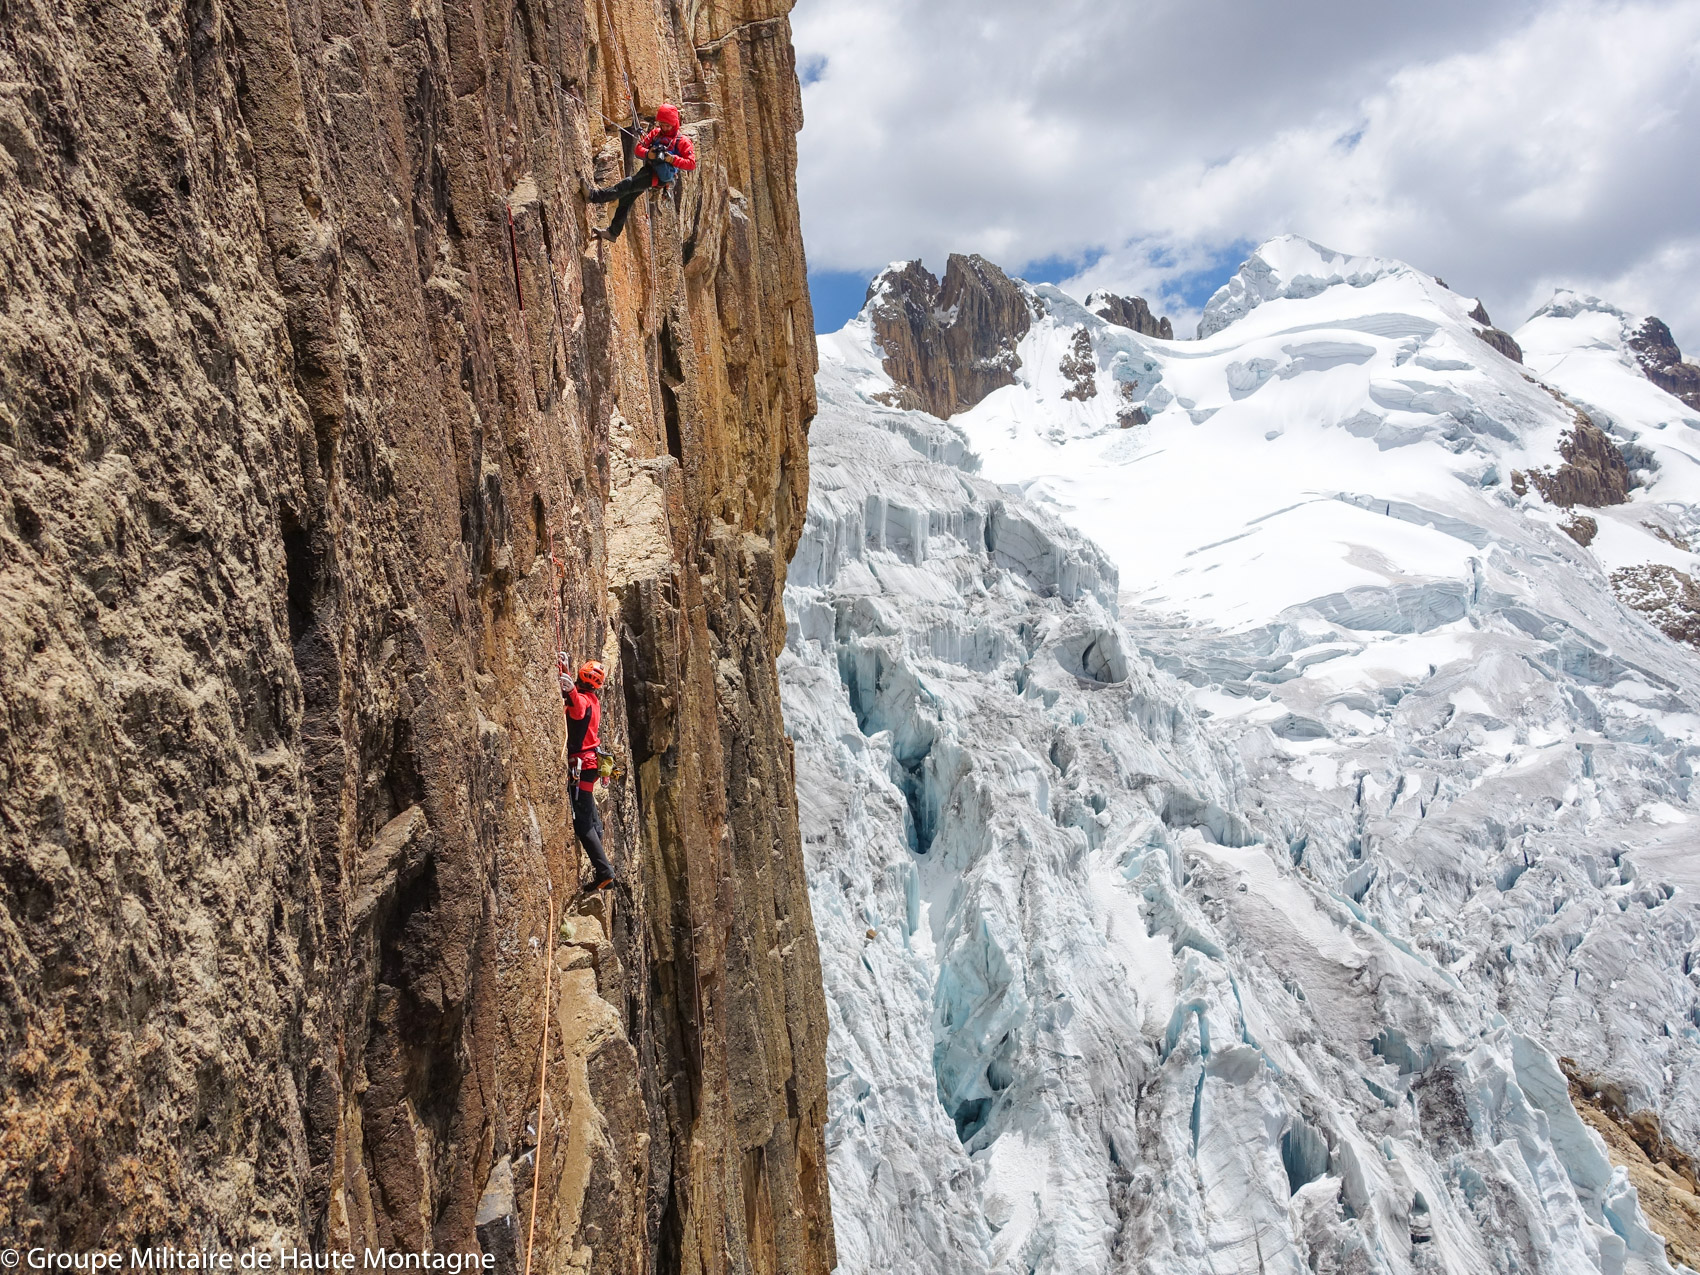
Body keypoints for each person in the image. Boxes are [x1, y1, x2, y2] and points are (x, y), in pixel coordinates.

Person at [585, 104, 697, 242]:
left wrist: (672, 159)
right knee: (627, 198)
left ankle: (593, 196)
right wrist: (648, 154)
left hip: (660, 176)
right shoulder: (655, 134)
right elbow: (639, 149)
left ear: (675, 124)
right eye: (662, 124)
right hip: (649, 170)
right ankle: (613, 233)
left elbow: (691, 164)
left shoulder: (682, 141)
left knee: (627, 184)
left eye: (668, 126)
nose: (665, 128)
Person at [560, 655, 615, 892]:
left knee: (582, 823)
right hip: (590, 766)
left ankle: (604, 872)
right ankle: (601, 851)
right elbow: (580, 700)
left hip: (583, 767)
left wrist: (570, 689)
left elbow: (577, 707)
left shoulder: (583, 700)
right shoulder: (594, 698)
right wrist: (565, 670)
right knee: (589, 812)